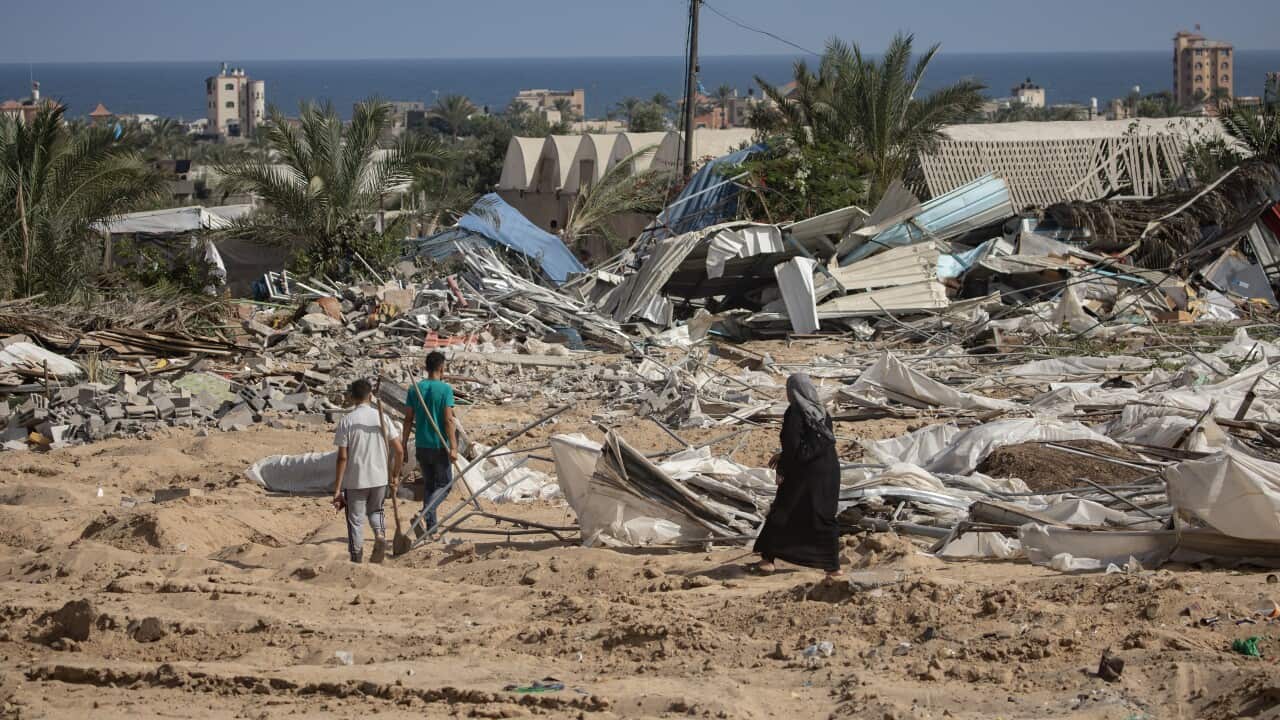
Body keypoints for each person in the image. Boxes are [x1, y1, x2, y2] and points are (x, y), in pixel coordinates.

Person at [750, 373, 842, 579]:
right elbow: (813, 445)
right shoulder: (822, 413)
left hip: (805, 473)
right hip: (828, 473)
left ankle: (768, 559)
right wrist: (785, 456)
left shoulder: (795, 413)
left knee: (783, 511)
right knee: (823, 516)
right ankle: (833, 568)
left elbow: (795, 449)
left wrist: (782, 467)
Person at [332, 379, 403, 564]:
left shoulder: (347, 421)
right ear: (370, 396)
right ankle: (379, 535)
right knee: (376, 511)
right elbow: (399, 450)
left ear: (351, 398)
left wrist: (337, 489)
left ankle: (357, 557)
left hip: (355, 480)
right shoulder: (381, 417)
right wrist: (395, 474)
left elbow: (342, 457)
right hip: (379, 477)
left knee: (355, 520)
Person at [401, 350, 457, 533]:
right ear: (441, 368)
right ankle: (426, 512)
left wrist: (403, 443)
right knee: (445, 485)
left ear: (426, 368)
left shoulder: (414, 389)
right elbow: (449, 420)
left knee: (430, 485)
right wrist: (454, 447)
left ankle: (430, 528)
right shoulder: (445, 389)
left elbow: (408, 419)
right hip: (439, 446)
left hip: (421, 445)